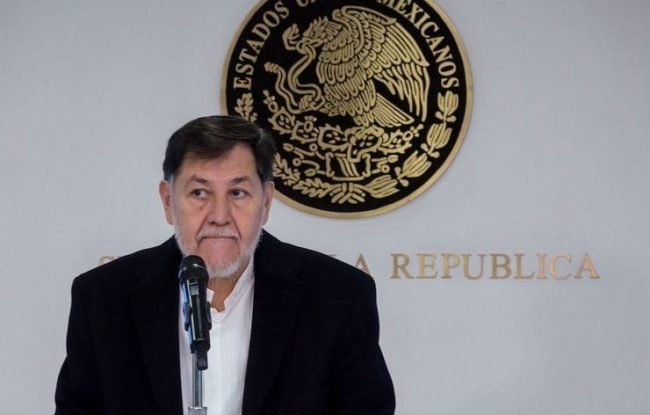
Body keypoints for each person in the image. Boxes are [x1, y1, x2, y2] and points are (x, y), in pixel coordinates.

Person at [54, 115, 395, 415]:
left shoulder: (337, 297)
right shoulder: (103, 299)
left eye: (237, 193)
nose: (219, 216)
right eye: (199, 193)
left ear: (266, 202)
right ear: (168, 201)